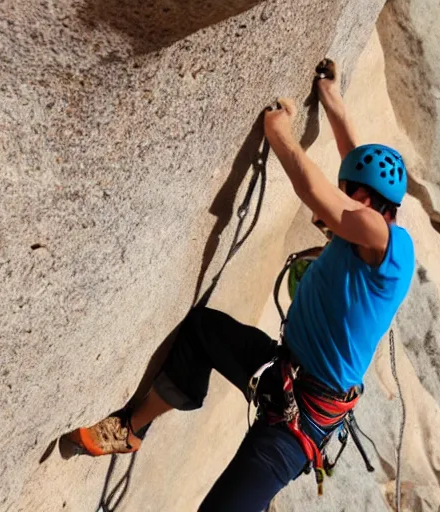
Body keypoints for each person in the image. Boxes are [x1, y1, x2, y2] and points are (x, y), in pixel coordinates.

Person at [62, 59, 415, 511]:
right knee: (202, 332)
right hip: (281, 373)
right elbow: (357, 165)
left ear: (371, 204)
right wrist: (333, 101)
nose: (341, 200)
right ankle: (130, 431)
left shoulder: (390, 246)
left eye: (351, 193)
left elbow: (317, 193)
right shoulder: (366, 224)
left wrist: (279, 133)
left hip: (298, 426)